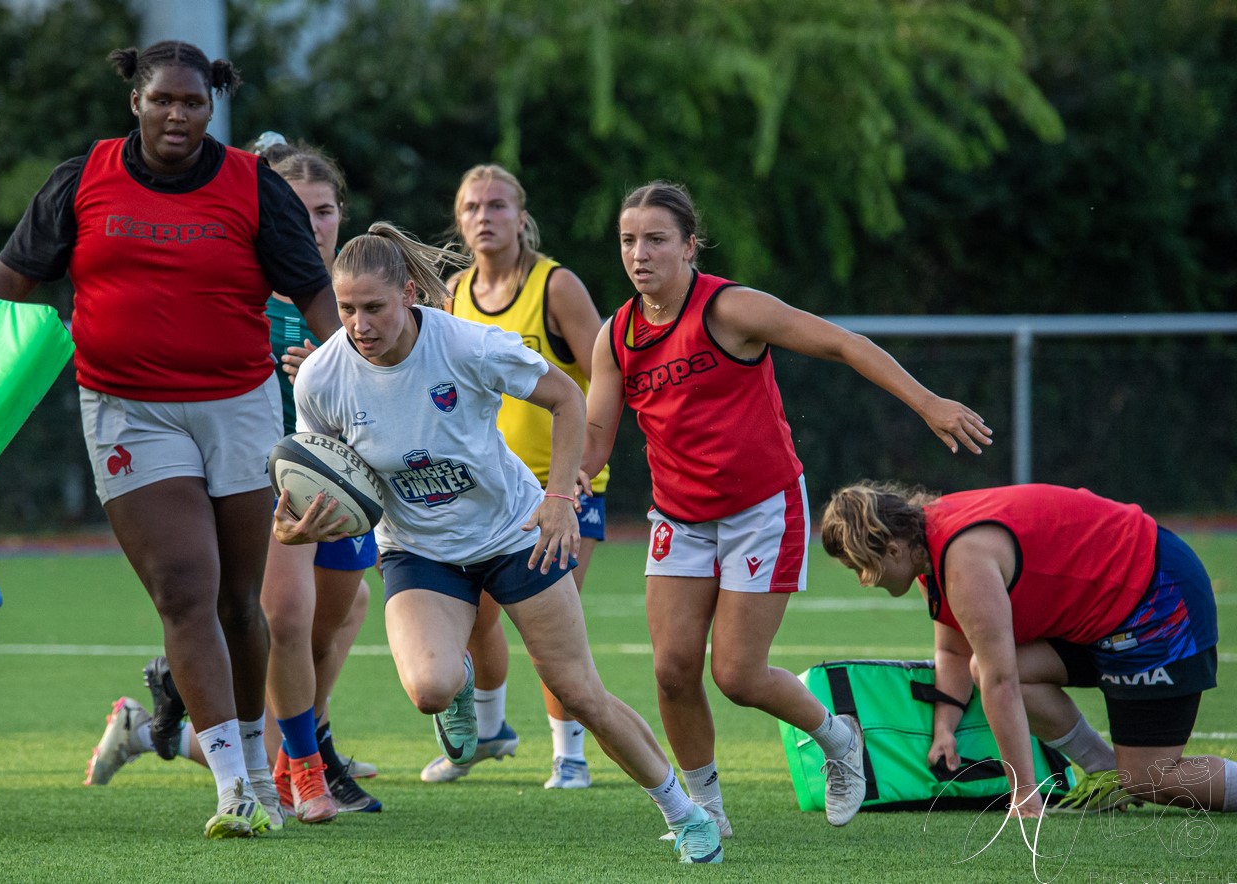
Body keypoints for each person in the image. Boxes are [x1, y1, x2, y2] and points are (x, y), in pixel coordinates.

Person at [0, 41, 340, 839]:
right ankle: (235, 791)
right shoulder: (81, 181)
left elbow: (316, 295)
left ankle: (256, 763)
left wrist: (355, 389)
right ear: (134, 101)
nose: (178, 115)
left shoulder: (252, 187)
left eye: (194, 103)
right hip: (127, 409)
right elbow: (4, 292)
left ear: (214, 108)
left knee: (242, 603)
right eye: (162, 100)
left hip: (239, 405)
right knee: (184, 586)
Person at [276, 221, 724, 864]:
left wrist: (562, 499)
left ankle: (684, 814)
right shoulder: (321, 377)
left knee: (579, 692)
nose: (359, 325)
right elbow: (320, 473)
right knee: (428, 687)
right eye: (346, 309)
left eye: (374, 307)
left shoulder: (465, 344)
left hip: (514, 532)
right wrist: (298, 523)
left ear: (409, 294)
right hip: (418, 548)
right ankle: (457, 684)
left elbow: (568, 399)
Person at [579, 181, 993, 835]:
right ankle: (705, 813)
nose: (640, 253)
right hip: (680, 517)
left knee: (738, 675)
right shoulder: (617, 336)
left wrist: (928, 403)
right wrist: (561, 481)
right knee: (672, 669)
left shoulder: (730, 309)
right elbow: (598, 436)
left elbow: (843, 343)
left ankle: (838, 738)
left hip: (760, 510)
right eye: (629, 240)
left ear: (690, 246)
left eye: (656, 239)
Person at [82, 134, 381, 823]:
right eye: (298, 209)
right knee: (283, 616)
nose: (313, 224)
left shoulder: (355, 296)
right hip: (269, 482)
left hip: (344, 481)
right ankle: (298, 768)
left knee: (342, 613)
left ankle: (168, 730)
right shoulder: (240, 285)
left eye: (326, 210)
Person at [820, 481, 1234, 817]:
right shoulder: (930, 541)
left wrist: (1024, 795)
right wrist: (944, 728)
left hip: (1156, 599)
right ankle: (1105, 774)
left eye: (861, 568)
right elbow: (956, 653)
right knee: (987, 667)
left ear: (892, 550)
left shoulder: (962, 561)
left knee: (1147, 778)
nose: (863, 580)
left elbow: (1003, 686)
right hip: (1109, 611)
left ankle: (1123, 780)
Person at [420, 164, 608, 788]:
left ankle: (569, 754)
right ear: (458, 219)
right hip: (485, 490)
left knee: (552, 620)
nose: (484, 217)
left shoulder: (556, 287)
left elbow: (605, 375)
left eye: (497, 205)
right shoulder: (452, 292)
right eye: (472, 206)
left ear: (521, 215)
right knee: (474, 620)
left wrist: (582, 469)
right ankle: (491, 733)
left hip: (555, 487)